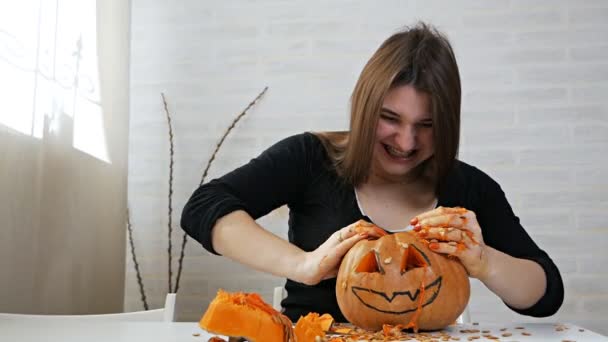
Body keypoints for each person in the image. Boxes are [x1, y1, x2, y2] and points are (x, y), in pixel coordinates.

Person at [181, 22, 564, 323]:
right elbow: (203, 207)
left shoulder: (469, 188)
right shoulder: (310, 158)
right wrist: (303, 264)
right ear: (365, 109)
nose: (407, 141)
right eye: (390, 118)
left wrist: (485, 261)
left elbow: (546, 295)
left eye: (427, 125)